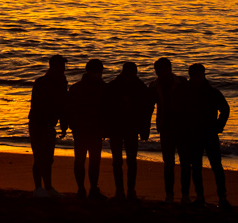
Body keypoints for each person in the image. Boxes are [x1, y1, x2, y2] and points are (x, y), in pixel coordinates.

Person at [103, 61, 154, 200]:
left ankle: (127, 190)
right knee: (124, 160)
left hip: (125, 127)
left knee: (126, 161)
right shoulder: (137, 86)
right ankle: (124, 190)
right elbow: (147, 109)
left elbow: (147, 109)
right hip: (121, 127)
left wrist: (144, 128)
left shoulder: (117, 85)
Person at [182, 63, 231, 209]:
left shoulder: (212, 93)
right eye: (195, 76)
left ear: (203, 75)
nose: (197, 78)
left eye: (200, 75)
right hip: (193, 134)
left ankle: (222, 197)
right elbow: (180, 112)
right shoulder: (186, 93)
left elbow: (225, 110)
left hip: (209, 133)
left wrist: (218, 126)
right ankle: (200, 196)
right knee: (196, 167)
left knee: (216, 166)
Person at [27, 54, 68, 198]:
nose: (63, 69)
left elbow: (63, 105)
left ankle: (48, 187)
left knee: (48, 158)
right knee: (39, 157)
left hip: (50, 124)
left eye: (64, 67)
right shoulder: (42, 82)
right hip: (38, 123)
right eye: (61, 66)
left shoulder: (61, 83)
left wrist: (63, 124)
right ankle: (38, 188)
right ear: (53, 67)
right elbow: (41, 104)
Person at [148, 57, 188, 202]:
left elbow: (190, 104)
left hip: (182, 127)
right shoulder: (154, 86)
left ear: (170, 69)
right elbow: (149, 108)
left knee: (184, 162)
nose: (161, 73)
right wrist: (146, 127)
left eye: (163, 70)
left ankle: (185, 195)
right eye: (159, 71)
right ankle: (169, 194)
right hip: (165, 127)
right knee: (168, 163)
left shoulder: (182, 83)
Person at [66, 59, 107, 200]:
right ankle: (83, 189)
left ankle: (89, 189)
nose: (99, 74)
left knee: (91, 160)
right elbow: (70, 109)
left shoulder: (100, 87)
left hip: (92, 129)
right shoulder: (79, 88)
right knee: (83, 160)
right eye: (97, 71)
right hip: (83, 129)